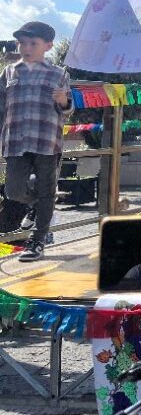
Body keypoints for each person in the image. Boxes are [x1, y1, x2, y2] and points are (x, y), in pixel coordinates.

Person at [0, 21, 73, 262]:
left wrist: (63, 101)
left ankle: (37, 241)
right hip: (15, 140)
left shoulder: (58, 73)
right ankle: (38, 203)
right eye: (22, 43)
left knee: (46, 188)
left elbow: (66, 109)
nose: (26, 48)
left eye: (33, 43)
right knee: (14, 189)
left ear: (48, 46)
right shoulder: (9, 72)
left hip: (46, 140)